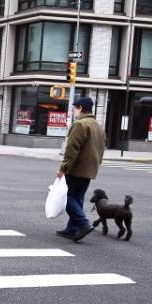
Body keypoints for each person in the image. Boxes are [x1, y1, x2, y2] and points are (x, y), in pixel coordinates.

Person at [55, 96, 105, 242]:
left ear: (81, 108)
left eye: (74, 108)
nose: (73, 111)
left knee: (66, 197)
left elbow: (72, 149)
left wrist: (63, 168)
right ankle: (72, 228)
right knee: (77, 198)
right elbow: (101, 149)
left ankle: (83, 223)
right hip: (89, 170)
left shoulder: (80, 124)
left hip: (76, 169)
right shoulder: (98, 126)